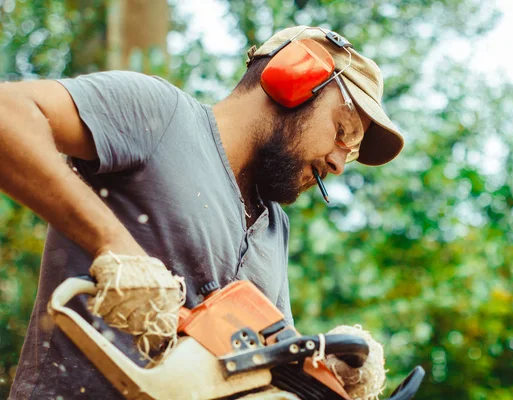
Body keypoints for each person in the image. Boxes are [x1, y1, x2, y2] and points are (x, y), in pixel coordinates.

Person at [2, 26, 404, 399]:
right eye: (344, 131)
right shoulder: (159, 116)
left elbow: (258, 364)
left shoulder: (274, 227)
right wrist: (113, 245)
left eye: (350, 153)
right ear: (295, 78)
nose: (338, 163)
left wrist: (318, 369)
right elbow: (8, 114)